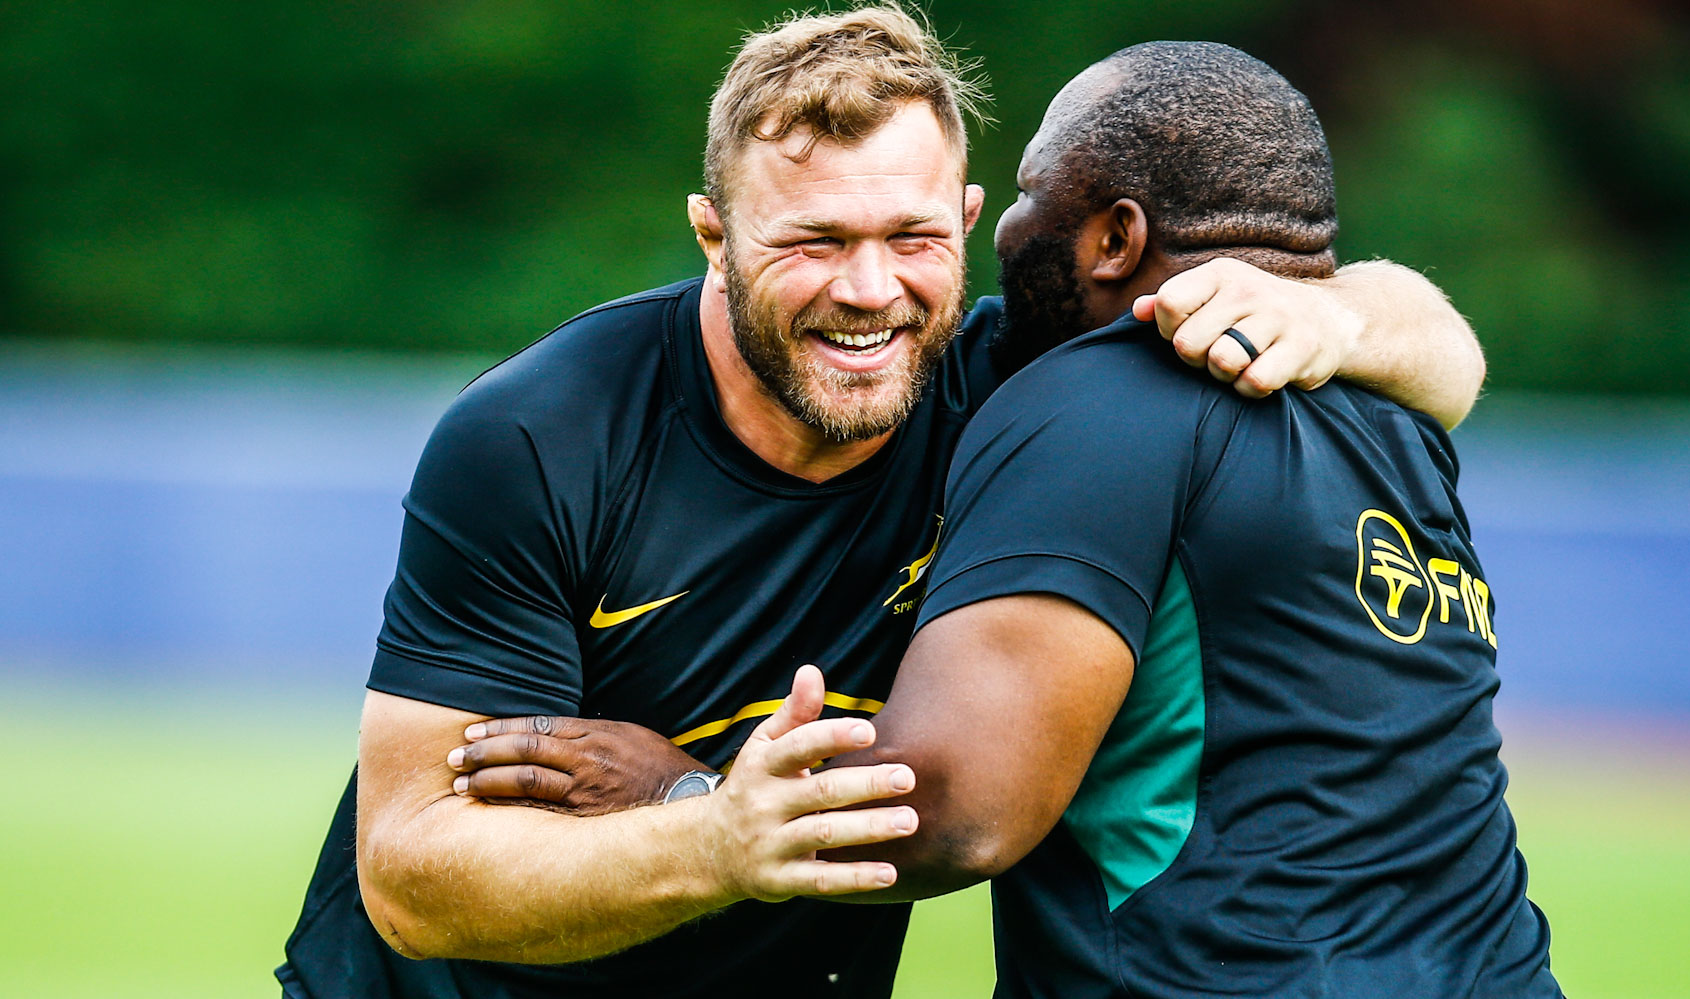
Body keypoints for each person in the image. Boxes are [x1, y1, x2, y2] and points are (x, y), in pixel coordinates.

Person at [276, 7, 1487, 999]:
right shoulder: (542, 435)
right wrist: (711, 839)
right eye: (813, 240)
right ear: (713, 235)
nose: (869, 291)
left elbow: (1440, 360)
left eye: (910, 236)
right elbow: (412, 874)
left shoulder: (1017, 391)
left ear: (967, 225)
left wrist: (1342, 317)